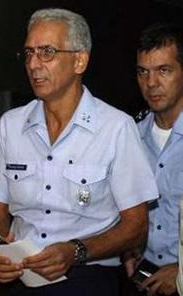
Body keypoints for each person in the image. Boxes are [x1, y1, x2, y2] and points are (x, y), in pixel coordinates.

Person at [0, 8, 158, 296]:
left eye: (46, 52)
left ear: (79, 60)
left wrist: (76, 252)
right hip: (19, 279)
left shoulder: (116, 128)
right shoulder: (11, 125)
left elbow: (136, 226)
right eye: (29, 53)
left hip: (87, 277)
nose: (34, 64)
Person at [122, 23, 183, 296]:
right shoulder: (129, 135)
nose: (151, 83)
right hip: (142, 279)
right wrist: (125, 248)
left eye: (164, 70)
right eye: (142, 72)